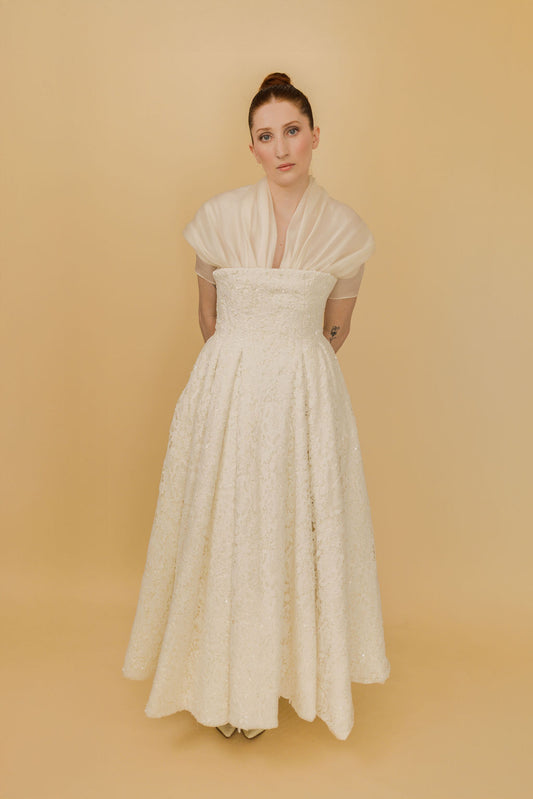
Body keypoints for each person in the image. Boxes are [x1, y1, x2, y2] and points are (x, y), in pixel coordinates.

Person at [122, 72, 391, 742]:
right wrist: (244, 372)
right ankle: (222, 679)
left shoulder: (345, 231)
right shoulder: (216, 220)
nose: (281, 148)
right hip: (229, 391)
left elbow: (336, 329)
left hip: (303, 397)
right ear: (252, 146)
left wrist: (295, 372)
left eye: (292, 131)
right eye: (265, 136)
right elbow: (208, 318)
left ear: (314, 136)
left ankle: (287, 672)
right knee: (230, 525)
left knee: (290, 529)